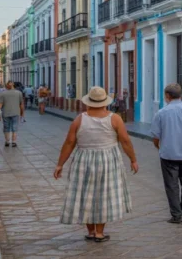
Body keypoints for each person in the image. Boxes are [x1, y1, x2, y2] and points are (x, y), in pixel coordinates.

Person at [53, 86, 138, 243]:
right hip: (108, 160)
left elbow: (69, 143)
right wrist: (133, 159)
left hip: (83, 161)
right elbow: (125, 141)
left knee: (86, 194)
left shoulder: (79, 119)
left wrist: (60, 165)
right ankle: (100, 232)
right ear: (105, 102)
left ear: (88, 103)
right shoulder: (115, 119)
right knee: (103, 195)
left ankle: (91, 231)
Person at [150, 83, 182, 224]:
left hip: (168, 154)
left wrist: (158, 146)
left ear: (168, 96)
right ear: (180, 95)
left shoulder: (161, 113)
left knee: (171, 185)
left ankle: (176, 215)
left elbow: (155, 136)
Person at [0, 81, 25, 147]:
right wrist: (22, 113)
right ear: (13, 85)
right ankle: (13, 142)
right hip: (16, 113)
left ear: (6, 86)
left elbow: (0, 105)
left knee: (6, 127)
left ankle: (7, 141)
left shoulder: (2, 93)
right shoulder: (19, 93)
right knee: (14, 127)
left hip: (5, 113)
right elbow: (21, 104)